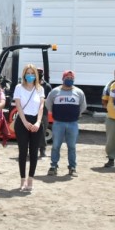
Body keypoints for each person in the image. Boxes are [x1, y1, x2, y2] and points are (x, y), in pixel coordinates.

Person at [45, 70, 87, 177]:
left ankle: (72, 167)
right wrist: (56, 114)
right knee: (55, 146)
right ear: (63, 78)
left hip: (73, 123)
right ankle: (53, 166)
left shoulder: (79, 92)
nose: (69, 79)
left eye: (71, 77)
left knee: (72, 146)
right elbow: (48, 104)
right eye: (67, 77)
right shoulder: (55, 92)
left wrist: (75, 114)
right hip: (58, 123)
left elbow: (83, 106)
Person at [13, 64, 46, 192]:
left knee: (34, 152)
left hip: (36, 122)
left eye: (33, 73)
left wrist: (38, 122)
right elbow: (18, 106)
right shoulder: (18, 88)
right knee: (22, 152)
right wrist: (25, 122)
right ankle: (22, 180)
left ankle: (30, 180)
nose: (30, 75)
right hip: (22, 121)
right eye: (28, 73)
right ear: (24, 74)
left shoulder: (40, 89)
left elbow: (41, 107)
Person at [37, 68, 52, 159]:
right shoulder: (30, 85)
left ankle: (42, 150)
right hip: (32, 112)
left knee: (42, 132)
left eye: (40, 73)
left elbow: (49, 99)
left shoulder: (47, 86)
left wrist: (42, 100)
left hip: (43, 112)